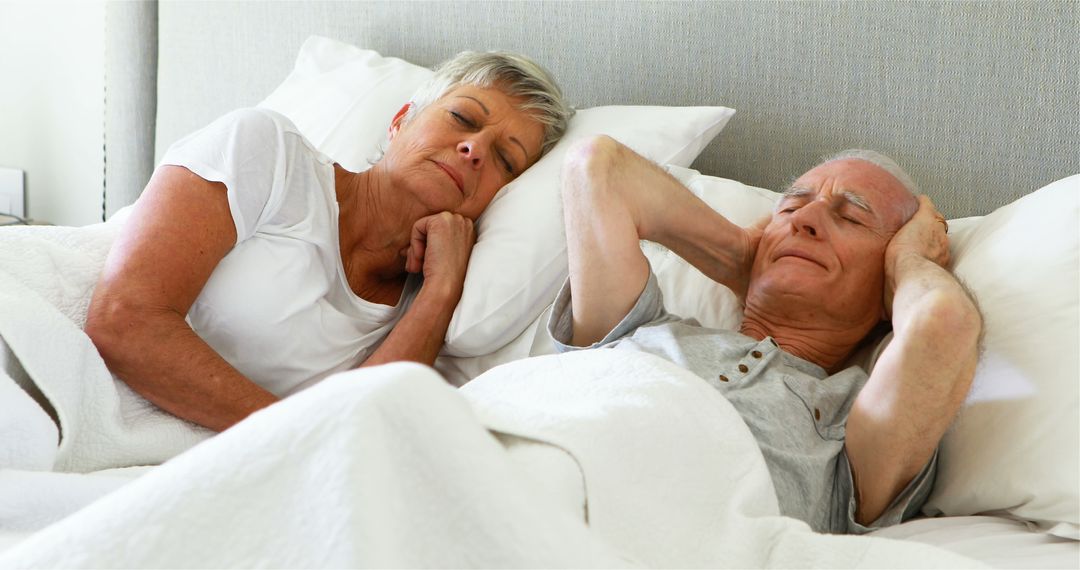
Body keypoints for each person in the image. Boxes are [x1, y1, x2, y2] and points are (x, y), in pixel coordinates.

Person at [83, 51, 574, 433]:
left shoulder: (436, 305)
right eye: (463, 119)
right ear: (401, 119)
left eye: (505, 160)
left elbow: (362, 424)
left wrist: (440, 292)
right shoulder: (267, 150)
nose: (474, 149)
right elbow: (124, 319)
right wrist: (296, 435)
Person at [553, 136, 981, 534]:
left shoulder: (849, 424)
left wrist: (910, 257)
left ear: (889, 285)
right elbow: (596, 165)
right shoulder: (635, 327)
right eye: (791, 209)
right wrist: (737, 256)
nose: (806, 220)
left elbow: (943, 323)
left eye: (850, 216)